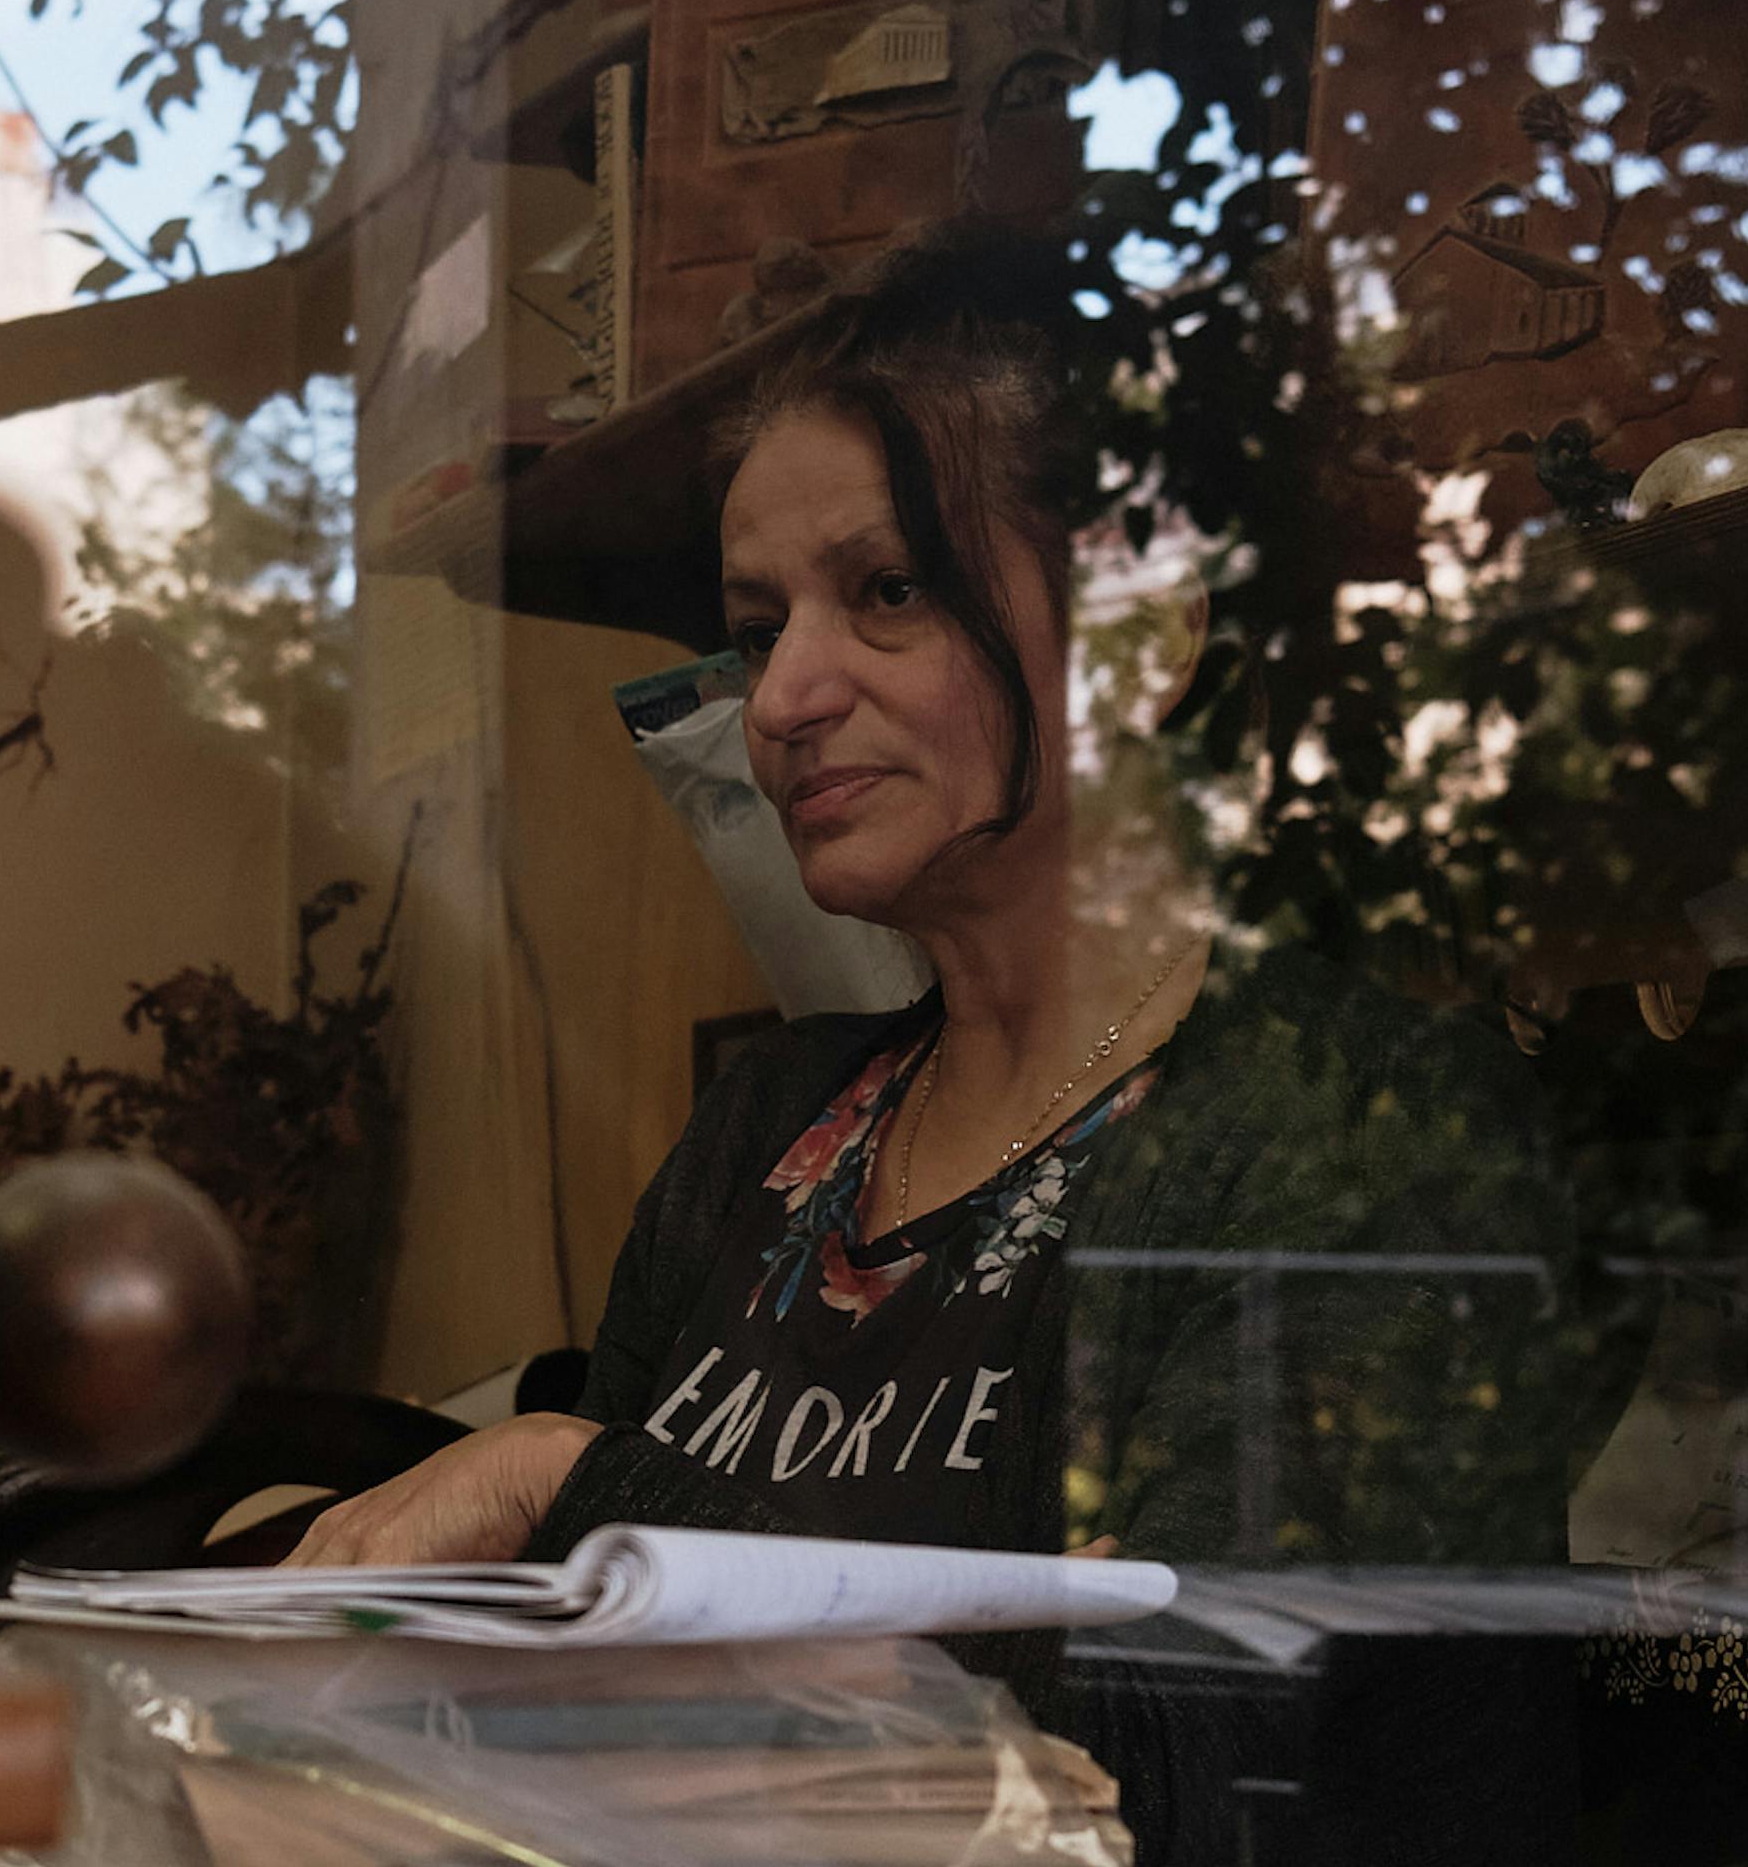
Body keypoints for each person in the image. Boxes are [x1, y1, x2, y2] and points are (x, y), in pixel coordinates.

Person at [290, 292, 1577, 1575]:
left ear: (1141, 636)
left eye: (890, 588)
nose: (783, 695)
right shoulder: (764, 1128)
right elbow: (586, 1659)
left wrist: (571, 1482)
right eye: (759, 629)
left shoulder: (1367, 1126)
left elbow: (1171, 1748)